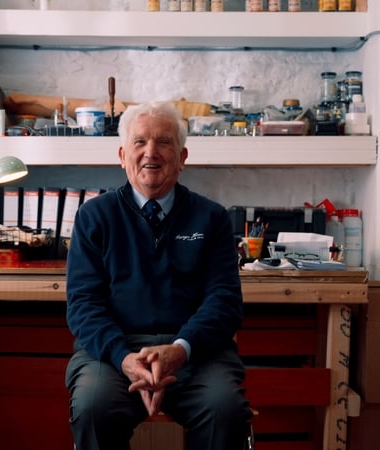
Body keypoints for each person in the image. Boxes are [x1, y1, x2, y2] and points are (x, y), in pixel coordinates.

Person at [65, 101, 252, 450]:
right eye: (140, 142)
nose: (151, 152)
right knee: (93, 407)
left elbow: (224, 303)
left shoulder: (212, 218)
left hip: (194, 351)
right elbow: (83, 305)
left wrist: (179, 351)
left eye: (164, 142)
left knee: (223, 409)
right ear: (123, 155)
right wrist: (125, 358)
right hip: (113, 352)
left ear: (182, 157)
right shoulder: (94, 217)